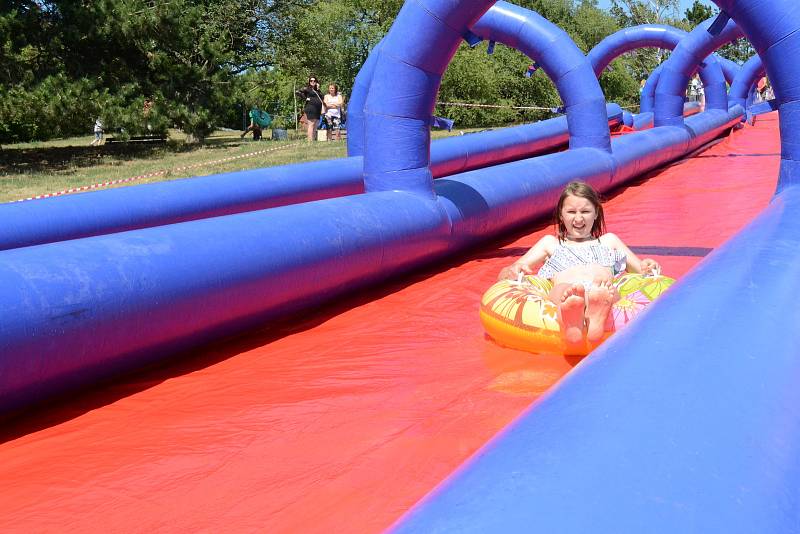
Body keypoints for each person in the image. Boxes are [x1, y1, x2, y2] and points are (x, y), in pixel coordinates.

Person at [497, 181, 660, 352]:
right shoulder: (551, 244)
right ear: (561, 214)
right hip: (568, 290)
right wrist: (513, 271)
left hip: (601, 290)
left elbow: (640, 270)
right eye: (571, 212)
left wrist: (648, 265)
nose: (579, 218)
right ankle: (572, 320)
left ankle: (595, 314)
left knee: (606, 288)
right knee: (562, 290)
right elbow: (508, 273)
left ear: (596, 213)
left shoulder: (608, 241)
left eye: (585, 211)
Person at [295, 76, 325, 142]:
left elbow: (322, 97)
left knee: (316, 124)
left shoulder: (318, 90)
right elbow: (297, 92)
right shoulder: (307, 89)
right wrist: (305, 98)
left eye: (314, 81)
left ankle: (313, 140)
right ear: (309, 82)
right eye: (311, 81)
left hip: (318, 109)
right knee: (311, 124)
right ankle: (309, 140)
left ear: (316, 82)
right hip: (311, 108)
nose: (313, 82)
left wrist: (318, 88)